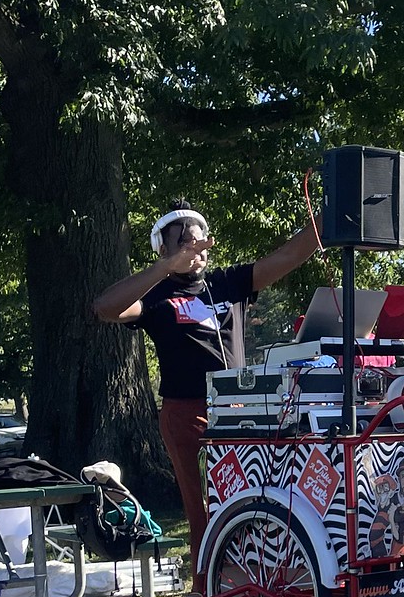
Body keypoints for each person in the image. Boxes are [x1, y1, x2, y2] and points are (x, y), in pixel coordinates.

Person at [93, 205, 322, 575]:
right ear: (163, 249)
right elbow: (105, 308)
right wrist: (165, 269)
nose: (194, 247)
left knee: (256, 502)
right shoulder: (157, 294)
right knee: (204, 513)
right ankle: (207, 595)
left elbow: (288, 255)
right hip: (187, 413)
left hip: (240, 410)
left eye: (199, 239)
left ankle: (259, 581)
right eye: (182, 241)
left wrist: (326, 221)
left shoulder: (228, 283)